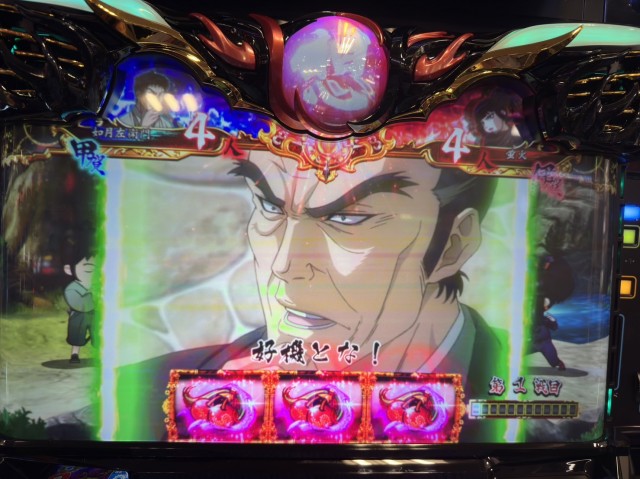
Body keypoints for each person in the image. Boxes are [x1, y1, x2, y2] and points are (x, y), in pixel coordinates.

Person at [118, 147, 503, 441]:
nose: (285, 264)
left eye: (348, 218)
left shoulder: (517, 402)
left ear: (452, 244)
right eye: (269, 206)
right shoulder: (138, 393)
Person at [526, 253, 575, 370]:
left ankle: (556, 362)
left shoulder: (548, 278)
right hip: (534, 323)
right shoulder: (536, 275)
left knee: (542, 340)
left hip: (538, 325)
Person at [62, 237, 96, 364]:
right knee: (76, 335)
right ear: (69, 269)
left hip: (95, 315)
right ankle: (75, 354)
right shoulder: (72, 288)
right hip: (78, 315)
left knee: (98, 335)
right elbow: (77, 302)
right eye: (84, 266)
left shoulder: (98, 286)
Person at [465, 90, 530, 148]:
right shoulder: (488, 142)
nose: (486, 125)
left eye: (488, 118)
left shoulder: (519, 128)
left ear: (501, 112)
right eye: (482, 123)